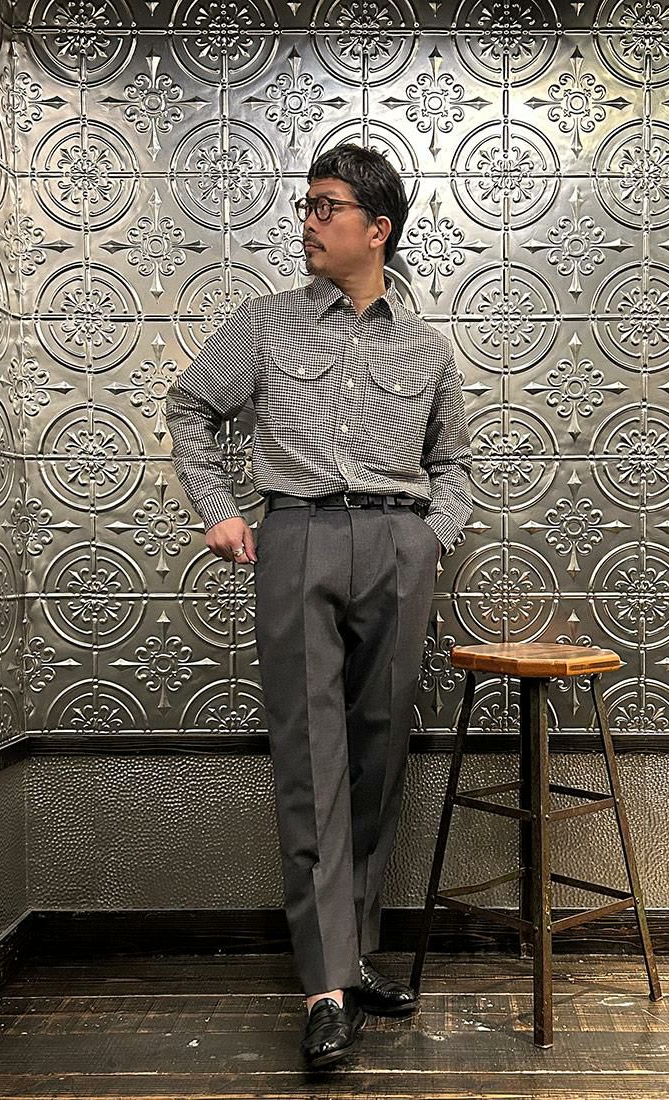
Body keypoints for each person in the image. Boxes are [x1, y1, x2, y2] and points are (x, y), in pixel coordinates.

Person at [165, 143, 474, 1070]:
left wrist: (428, 539)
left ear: (377, 229)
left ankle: (355, 949)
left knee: (379, 755)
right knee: (310, 759)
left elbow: (454, 463)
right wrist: (218, 508)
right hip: (296, 537)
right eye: (307, 204)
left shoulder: (427, 349)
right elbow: (190, 406)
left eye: (325, 206)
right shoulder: (264, 323)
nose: (307, 221)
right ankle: (325, 988)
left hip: (396, 544)